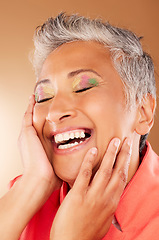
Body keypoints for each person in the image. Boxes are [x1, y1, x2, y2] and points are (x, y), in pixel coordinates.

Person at [0, 13, 158, 240]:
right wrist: (34, 184)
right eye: (44, 97)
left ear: (143, 112)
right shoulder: (26, 199)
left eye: (83, 87)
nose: (54, 112)